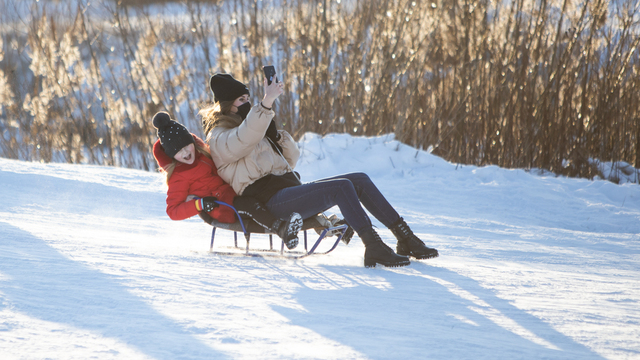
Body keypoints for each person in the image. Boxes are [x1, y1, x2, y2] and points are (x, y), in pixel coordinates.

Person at [201, 73, 439, 268]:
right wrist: (264, 106)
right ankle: (373, 245)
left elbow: (291, 160)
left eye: (247, 98)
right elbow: (241, 141)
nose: (247, 104)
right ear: (226, 106)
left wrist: (275, 135)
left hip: (288, 191)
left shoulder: (252, 125)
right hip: (268, 202)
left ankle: (405, 237)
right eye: (241, 100)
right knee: (341, 187)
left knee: (359, 179)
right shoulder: (218, 136)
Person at [151, 111, 303, 249]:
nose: (185, 152)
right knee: (250, 204)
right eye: (178, 151)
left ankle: (301, 205)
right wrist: (200, 204)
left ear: (192, 142)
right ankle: (281, 229)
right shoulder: (178, 176)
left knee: (264, 188)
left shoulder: (204, 155)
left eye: (186, 145)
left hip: (233, 193)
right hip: (221, 207)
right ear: (172, 156)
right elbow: (172, 211)